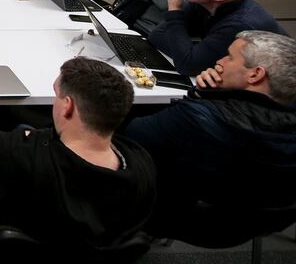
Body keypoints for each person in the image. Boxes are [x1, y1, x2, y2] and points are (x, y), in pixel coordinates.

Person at [0, 58, 156, 252]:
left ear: (67, 107)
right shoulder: (141, 163)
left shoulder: (25, 154)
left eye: (56, 95)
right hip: (86, 249)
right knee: (24, 127)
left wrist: (29, 137)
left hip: (2, 216)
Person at [124, 31, 296, 224]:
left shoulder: (199, 118)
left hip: (177, 216)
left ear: (255, 74)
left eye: (230, 57)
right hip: (264, 221)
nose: (219, 61)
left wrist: (200, 95)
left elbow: (130, 135)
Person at [148, 0, 286, 76]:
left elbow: (188, 65)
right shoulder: (204, 2)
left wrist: (174, 9)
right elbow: (157, 35)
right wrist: (187, 53)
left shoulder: (240, 24)